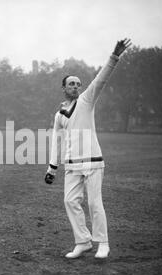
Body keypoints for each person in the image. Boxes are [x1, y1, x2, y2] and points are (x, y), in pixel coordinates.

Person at [45, 39, 131, 259]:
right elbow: (57, 141)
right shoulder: (58, 115)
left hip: (93, 162)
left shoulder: (86, 100)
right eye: (71, 83)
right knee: (69, 201)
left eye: (78, 83)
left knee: (94, 203)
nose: (76, 86)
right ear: (63, 88)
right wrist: (52, 169)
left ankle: (102, 242)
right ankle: (83, 241)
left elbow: (101, 79)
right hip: (72, 165)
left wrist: (114, 56)